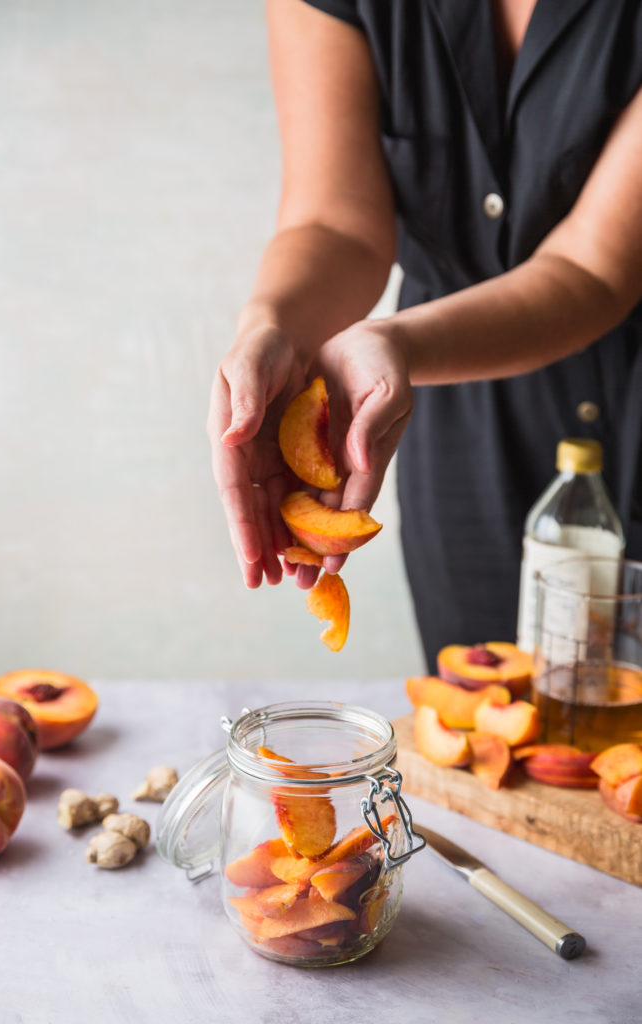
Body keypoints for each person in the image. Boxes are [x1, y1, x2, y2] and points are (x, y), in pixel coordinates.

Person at [207, 0, 642, 672]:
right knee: (476, 730)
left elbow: (591, 267)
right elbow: (335, 224)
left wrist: (398, 346)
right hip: (459, 420)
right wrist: (272, 328)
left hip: (619, 383)